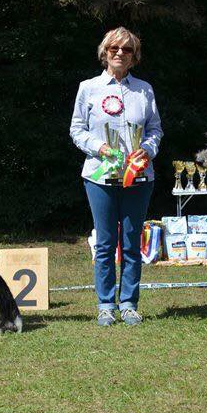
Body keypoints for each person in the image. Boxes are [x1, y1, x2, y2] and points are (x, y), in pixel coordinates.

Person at [70, 27, 163, 326]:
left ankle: (129, 304)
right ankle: (106, 304)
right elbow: (76, 130)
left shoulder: (145, 90)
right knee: (106, 242)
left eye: (126, 50)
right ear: (104, 52)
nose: (119, 53)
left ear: (134, 56)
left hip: (138, 177)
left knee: (133, 242)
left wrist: (146, 151)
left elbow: (155, 129)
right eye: (114, 48)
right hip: (99, 176)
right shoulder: (88, 88)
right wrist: (100, 147)